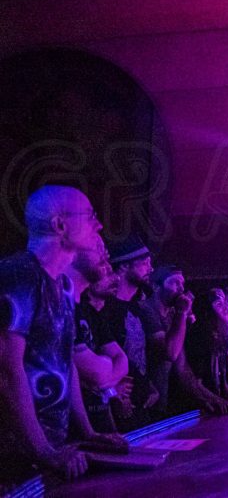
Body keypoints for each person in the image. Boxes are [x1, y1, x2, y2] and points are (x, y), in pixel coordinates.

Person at [0, 186, 127, 482]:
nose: (99, 225)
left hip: (45, 452)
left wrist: (88, 433)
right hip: (10, 456)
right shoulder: (19, 275)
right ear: (60, 225)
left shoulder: (64, 286)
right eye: (90, 216)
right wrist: (43, 451)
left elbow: (65, 363)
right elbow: (6, 371)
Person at [139, 266, 228, 415]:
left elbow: (182, 367)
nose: (181, 289)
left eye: (182, 284)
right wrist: (182, 313)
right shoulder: (146, 310)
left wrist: (210, 398)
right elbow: (170, 353)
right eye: (175, 282)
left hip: (162, 400)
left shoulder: (171, 316)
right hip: (144, 400)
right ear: (155, 286)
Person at [67, 247, 130, 433]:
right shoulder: (68, 307)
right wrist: (110, 387)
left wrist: (105, 386)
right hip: (71, 423)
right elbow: (96, 373)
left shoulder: (94, 314)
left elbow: (122, 360)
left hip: (97, 416)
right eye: (107, 271)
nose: (114, 277)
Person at [102, 234, 159, 429]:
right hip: (118, 408)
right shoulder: (106, 309)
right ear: (125, 266)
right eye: (144, 263)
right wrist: (112, 393)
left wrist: (148, 385)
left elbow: (135, 357)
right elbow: (102, 355)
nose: (150, 269)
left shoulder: (136, 308)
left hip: (141, 406)